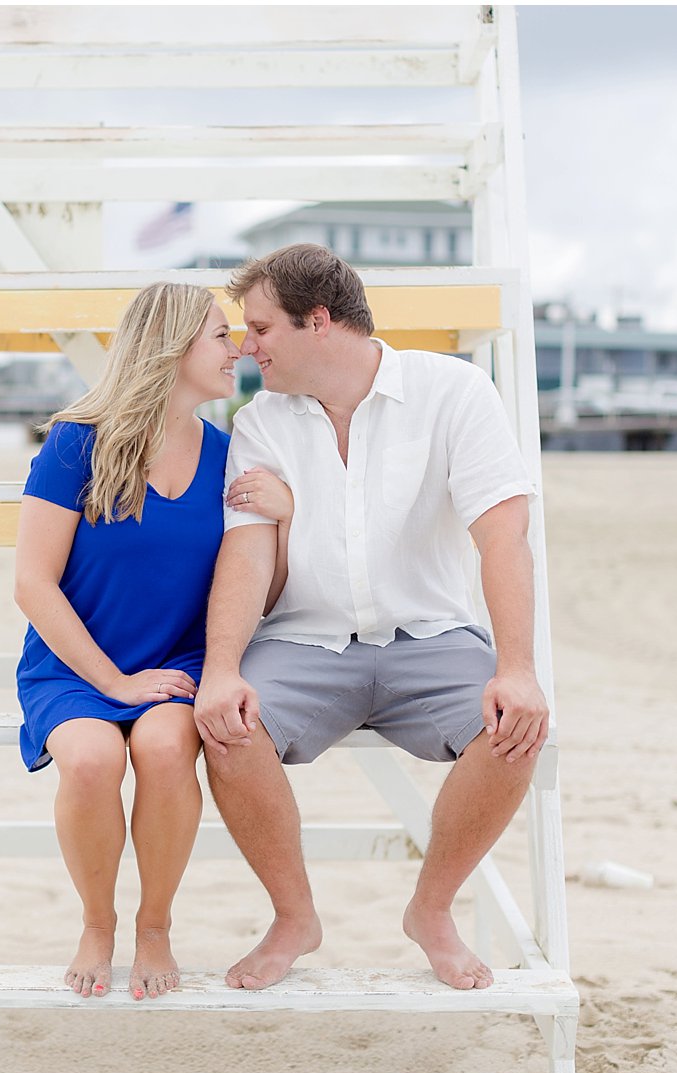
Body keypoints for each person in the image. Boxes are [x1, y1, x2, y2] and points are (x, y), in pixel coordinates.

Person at [192, 243, 550, 992]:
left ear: (317, 322)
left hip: (432, 638)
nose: (245, 347)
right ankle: (294, 917)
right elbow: (247, 555)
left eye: (260, 329)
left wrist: (516, 669)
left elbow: (501, 535)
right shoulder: (262, 420)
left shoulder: (453, 391)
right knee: (226, 725)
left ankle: (432, 910)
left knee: (515, 729)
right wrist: (220, 669)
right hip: (303, 642)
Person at [14, 282, 295, 1001]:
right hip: (77, 665)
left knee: (166, 748)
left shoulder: (232, 456)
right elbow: (32, 585)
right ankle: (97, 923)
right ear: (170, 348)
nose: (237, 349)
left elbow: (261, 590)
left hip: (180, 661)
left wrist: (285, 520)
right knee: (88, 759)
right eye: (219, 335)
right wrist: (111, 683)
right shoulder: (77, 442)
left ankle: (154, 927)